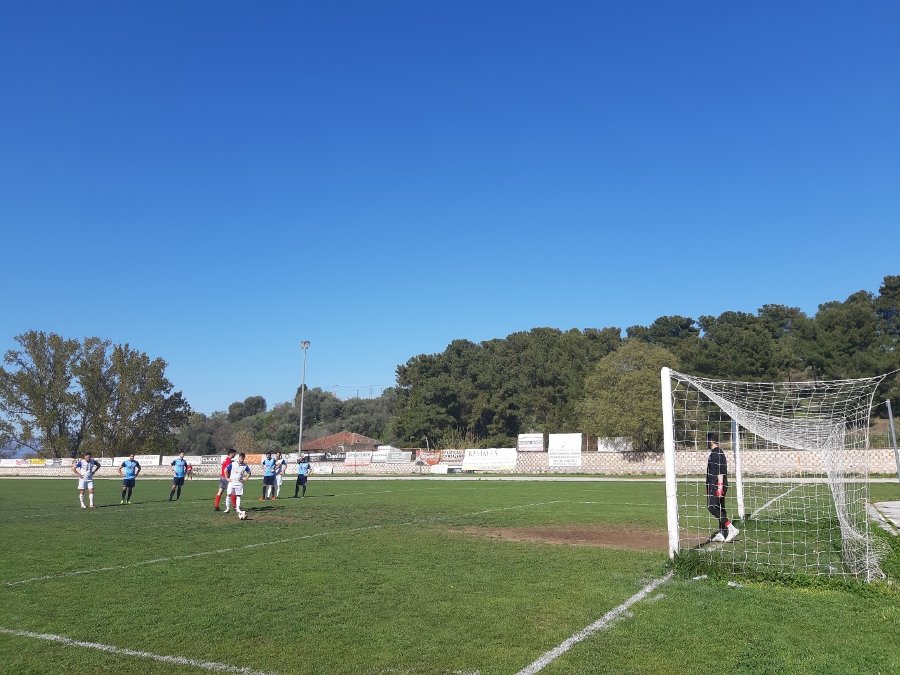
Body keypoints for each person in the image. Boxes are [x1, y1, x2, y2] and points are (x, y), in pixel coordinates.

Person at [706, 433, 739, 543]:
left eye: (707, 440)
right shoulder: (715, 453)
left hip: (717, 485)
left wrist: (719, 486)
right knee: (720, 508)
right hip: (713, 485)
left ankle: (731, 528)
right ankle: (722, 533)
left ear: (710, 441)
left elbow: (720, 471)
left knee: (711, 507)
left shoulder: (717, 454)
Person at [224, 452, 251, 517]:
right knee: (229, 495)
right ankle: (227, 508)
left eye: (243, 458)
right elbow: (226, 470)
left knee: (238, 496)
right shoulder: (233, 464)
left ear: (244, 458)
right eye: (241, 458)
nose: (242, 459)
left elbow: (249, 473)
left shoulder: (245, 466)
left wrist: (245, 479)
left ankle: (238, 508)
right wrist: (227, 478)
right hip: (232, 482)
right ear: (239, 458)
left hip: (239, 483)